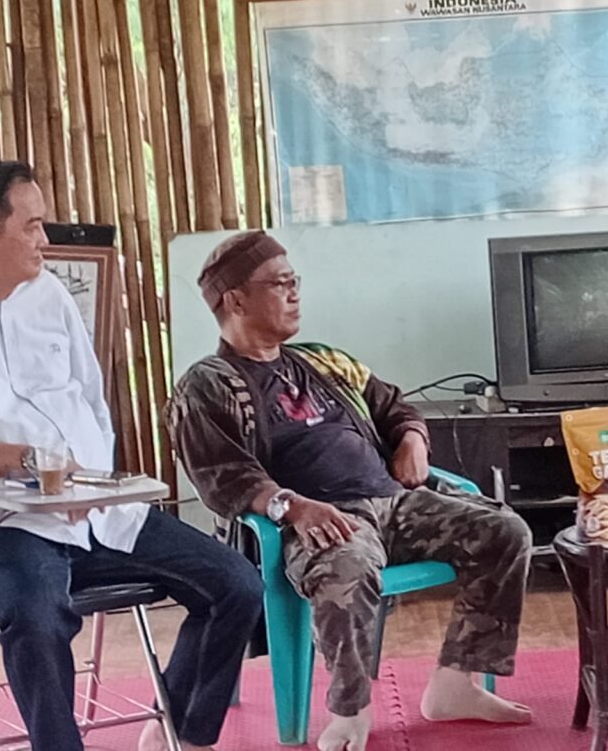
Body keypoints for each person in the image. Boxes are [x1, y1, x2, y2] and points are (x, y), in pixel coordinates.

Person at [168, 230, 533, 751]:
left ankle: (455, 683)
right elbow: (221, 475)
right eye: (279, 283)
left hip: (396, 504)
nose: (295, 293)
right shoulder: (208, 383)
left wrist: (412, 439)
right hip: (322, 518)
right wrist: (294, 507)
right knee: (346, 567)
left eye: (295, 280)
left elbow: (394, 406)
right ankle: (350, 710)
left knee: (505, 530)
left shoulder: (323, 361)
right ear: (236, 300)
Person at [0, 157, 264, 751]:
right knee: (36, 616)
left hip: (95, 511)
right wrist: (33, 464)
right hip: (0, 525)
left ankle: (179, 732)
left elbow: (89, 399)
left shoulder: (51, 294)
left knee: (236, 583)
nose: (46, 239)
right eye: (32, 226)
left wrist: (92, 483)